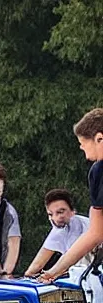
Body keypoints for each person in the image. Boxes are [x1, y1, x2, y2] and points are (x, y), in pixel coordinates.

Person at [40, 108, 103, 283]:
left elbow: (94, 234)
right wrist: (55, 271)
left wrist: (54, 271)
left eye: (83, 143)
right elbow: (96, 233)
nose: (81, 148)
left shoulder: (98, 171)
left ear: (99, 138)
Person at [24, 189, 90, 277]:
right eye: (50, 214)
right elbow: (37, 264)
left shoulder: (79, 224)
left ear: (73, 211)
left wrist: (51, 274)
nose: (55, 218)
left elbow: (71, 257)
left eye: (60, 212)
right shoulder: (59, 229)